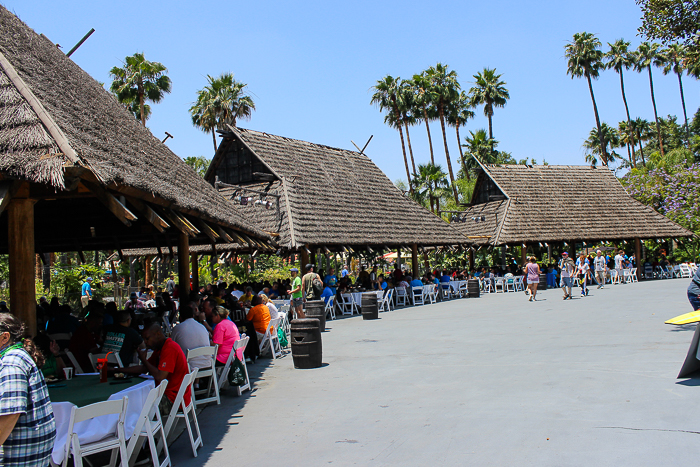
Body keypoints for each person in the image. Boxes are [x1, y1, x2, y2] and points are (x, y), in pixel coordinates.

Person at [0, 314, 56, 467]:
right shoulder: (17, 356)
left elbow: (11, 413)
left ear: (5, 337)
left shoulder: (11, 363)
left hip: (19, 456)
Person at [122, 324, 190, 417]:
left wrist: (144, 360)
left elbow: (160, 376)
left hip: (173, 400)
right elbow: (144, 368)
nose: (145, 342)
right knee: (133, 401)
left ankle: (135, 430)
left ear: (158, 334)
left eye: (147, 338)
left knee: (132, 406)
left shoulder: (169, 348)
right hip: (170, 396)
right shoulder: (160, 349)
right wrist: (117, 370)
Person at [171, 302, 211, 369]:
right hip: (207, 364)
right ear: (193, 315)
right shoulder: (202, 327)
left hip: (189, 367)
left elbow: (171, 346)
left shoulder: (178, 328)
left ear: (180, 318)